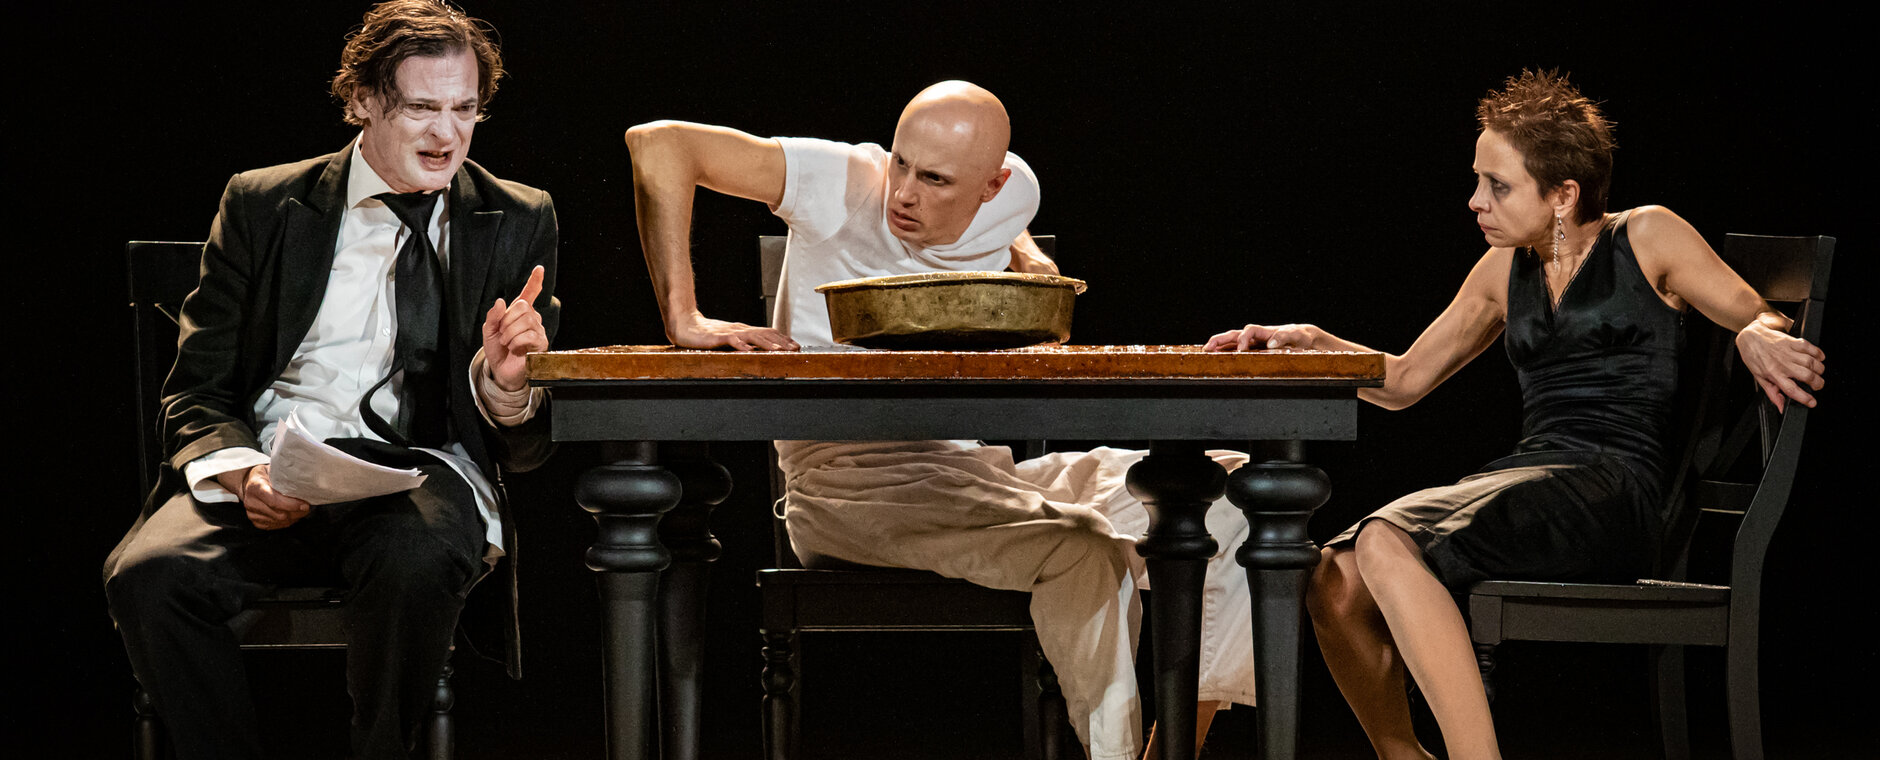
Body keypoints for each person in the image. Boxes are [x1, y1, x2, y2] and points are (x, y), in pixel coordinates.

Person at [1205, 69, 1826, 760]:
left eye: (1497, 185)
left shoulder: (1646, 235)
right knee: (1332, 577)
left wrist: (1755, 332)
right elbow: (1404, 381)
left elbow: (1764, 316)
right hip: (1532, 479)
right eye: (1478, 180)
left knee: (1383, 540)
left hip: (1614, 493)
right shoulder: (1504, 269)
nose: (1476, 201)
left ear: (1563, 195)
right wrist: (1314, 344)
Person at [626, 81, 1255, 759]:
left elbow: (1003, 216)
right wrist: (683, 317)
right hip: (846, 489)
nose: (902, 193)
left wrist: (1025, 255)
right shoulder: (842, 180)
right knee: (1084, 548)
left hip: (972, 473)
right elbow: (659, 144)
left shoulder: (1013, 193)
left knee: (1224, 491)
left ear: (992, 187)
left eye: (934, 180)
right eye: (901, 163)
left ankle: (1176, 748)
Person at [102, 2, 559, 757]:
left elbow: (525, 442)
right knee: (148, 577)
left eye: (465, 109)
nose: (447, 135)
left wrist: (507, 385)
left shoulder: (514, 216)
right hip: (273, 466)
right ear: (363, 101)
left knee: (414, 562)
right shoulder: (263, 204)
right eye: (421, 108)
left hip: (417, 474)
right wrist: (244, 473)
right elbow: (197, 389)